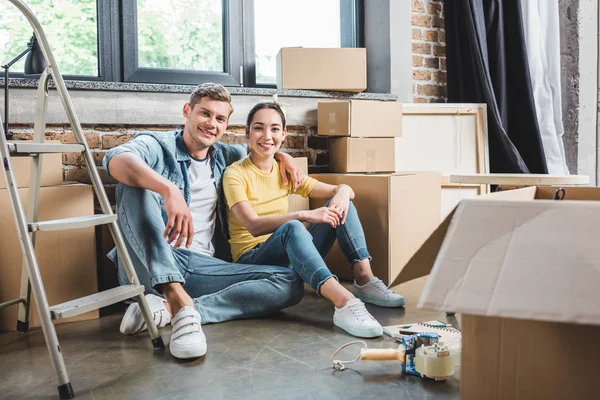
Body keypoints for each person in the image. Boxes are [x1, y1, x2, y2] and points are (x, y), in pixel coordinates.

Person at [103, 83, 306, 360]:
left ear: (226, 125)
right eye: (204, 114)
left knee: (290, 282)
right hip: (154, 259)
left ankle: (171, 308)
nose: (211, 124)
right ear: (187, 111)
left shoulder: (225, 156)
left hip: (202, 266)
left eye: (220, 119)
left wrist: (285, 156)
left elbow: (260, 149)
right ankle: (175, 296)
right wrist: (168, 189)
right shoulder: (158, 145)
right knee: (134, 183)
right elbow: (116, 159)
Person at [222, 101, 405, 339]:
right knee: (293, 227)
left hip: (291, 254)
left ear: (284, 134)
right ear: (247, 132)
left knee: (340, 205)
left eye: (275, 129)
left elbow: (344, 191)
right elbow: (253, 225)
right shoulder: (235, 174)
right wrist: (303, 215)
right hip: (254, 258)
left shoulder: (285, 170)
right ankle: (344, 303)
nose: (267, 136)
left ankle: (364, 279)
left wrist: (342, 191)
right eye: (258, 128)